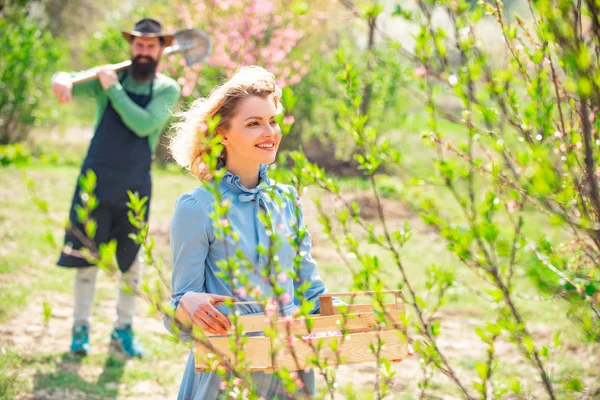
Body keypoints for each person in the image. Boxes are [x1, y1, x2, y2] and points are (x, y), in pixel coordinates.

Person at [165, 66, 340, 399]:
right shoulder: (196, 207)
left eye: (272, 121)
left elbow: (307, 287)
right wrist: (186, 304)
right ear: (222, 134)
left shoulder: (287, 199)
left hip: (292, 370)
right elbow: (180, 313)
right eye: (253, 123)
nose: (269, 132)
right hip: (229, 370)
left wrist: (348, 314)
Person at [50, 18, 182, 357]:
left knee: (131, 260)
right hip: (95, 180)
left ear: (161, 50)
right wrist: (61, 79)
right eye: (138, 44)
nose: (143, 51)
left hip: (135, 184)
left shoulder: (168, 88)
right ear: (131, 46)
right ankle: (80, 330)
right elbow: (68, 82)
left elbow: (142, 125)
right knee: (85, 257)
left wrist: (113, 89)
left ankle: (122, 329)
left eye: (150, 46)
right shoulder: (106, 78)